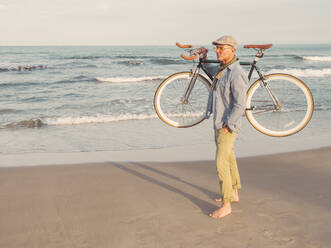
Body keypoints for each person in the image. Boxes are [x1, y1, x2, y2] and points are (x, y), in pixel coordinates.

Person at [203, 35, 249, 218]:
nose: (218, 51)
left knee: (221, 163)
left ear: (232, 50)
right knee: (229, 158)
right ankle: (234, 193)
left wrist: (228, 124)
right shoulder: (223, 70)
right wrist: (204, 57)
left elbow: (240, 104)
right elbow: (208, 69)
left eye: (221, 48)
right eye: (216, 48)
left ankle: (226, 204)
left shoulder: (237, 73)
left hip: (227, 125)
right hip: (220, 122)